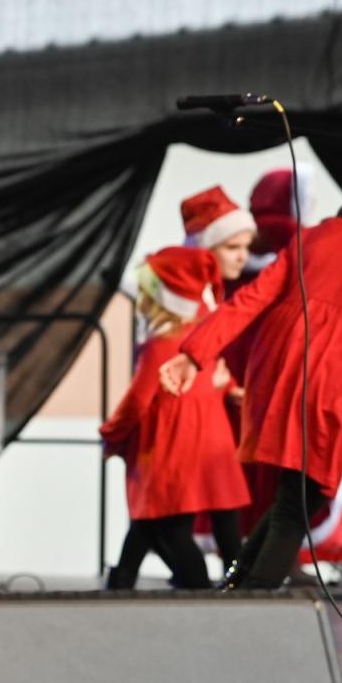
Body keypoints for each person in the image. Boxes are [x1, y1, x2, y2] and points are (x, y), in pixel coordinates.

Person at [159, 125, 342, 590]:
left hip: (276, 373)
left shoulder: (316, 234)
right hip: (332, 378)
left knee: (292, 496)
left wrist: (194, 353)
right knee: (298, 505)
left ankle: (234, 583)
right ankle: (251, 601)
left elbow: (249, 301)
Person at [102, 247, 246, 589]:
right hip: (210, 439)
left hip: (171, 445)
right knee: (209, 526)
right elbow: (214, 381)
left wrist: (111, 435)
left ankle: (197, 589)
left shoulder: (160, 345)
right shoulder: (200, 337)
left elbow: (137, 400)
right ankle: (237, 587)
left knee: (163, 524)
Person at [179, 185, 256, 566]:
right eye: (232, 247)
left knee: (223, 492)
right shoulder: (181, 295)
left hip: (206, 412)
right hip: (187, 417)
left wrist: (226, 385)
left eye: (245, 248)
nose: (243, 257)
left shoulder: (212, 294)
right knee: (169, 512)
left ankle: (233, 572)